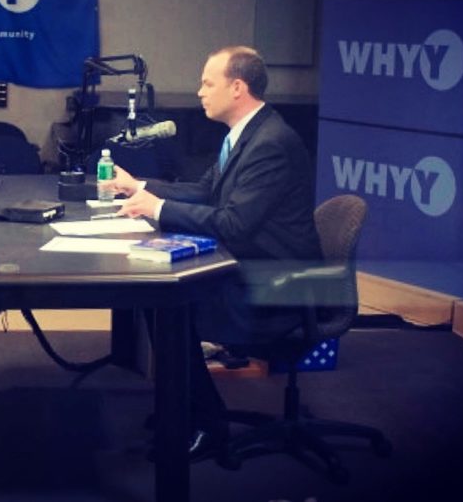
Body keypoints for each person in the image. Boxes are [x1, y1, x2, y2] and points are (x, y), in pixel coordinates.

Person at [103, 45, 321, 458]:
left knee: (171, 306)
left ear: (237, 87)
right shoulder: (246, 134)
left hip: (277, 288)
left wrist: (158, 209)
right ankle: (186, 410)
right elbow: (207, 192)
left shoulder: (270, 144)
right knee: (159, 301)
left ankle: (206, 424)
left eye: (208, 83)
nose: (199, 91)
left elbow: (234, 225)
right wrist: (141, 188)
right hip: (256, 266)